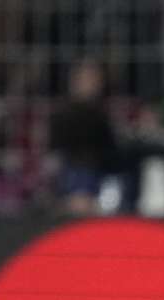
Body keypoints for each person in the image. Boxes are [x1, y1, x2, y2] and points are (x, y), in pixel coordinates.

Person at [48, 59, 118, 215]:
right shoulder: (63, 113)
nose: (90, 83)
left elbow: (111, 148)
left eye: (94, 78)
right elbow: (56, 149)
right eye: (85, 78)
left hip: (102, 175)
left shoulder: (105, 114)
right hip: (74, 173)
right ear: (73, 82)